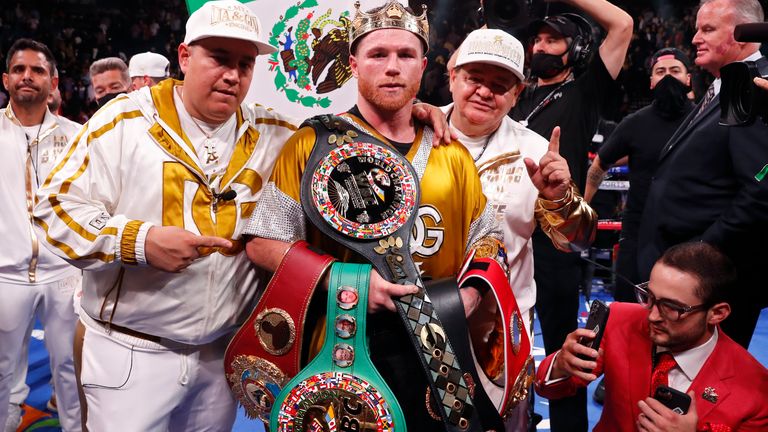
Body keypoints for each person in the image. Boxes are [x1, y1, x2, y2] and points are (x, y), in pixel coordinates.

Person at [34, 2, 452, 429]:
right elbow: (52, 210)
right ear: (183, 57)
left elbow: (351, 136)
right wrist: (139, 241)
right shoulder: (123, 121)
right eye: (219, 58)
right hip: (132, 352)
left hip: (221, 357)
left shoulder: (276, 132)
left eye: (245, 63)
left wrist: (416, 115)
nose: (232, 75)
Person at [243, 1, 505, 428]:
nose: (392, 67)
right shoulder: (312, 143)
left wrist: (470, 295)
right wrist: (351, 282)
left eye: (405, 56)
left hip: (439, 349)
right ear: (353, 64)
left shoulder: (450, 151)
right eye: (377, 55)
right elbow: (262, 242)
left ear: (423, 67)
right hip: (342, 340)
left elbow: (488, 237)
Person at [443, 28, 597, 429]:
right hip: (418, 316)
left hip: (499, 333)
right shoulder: (412, 132)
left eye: (500, 84)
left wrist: (559, 198)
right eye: (474, 78)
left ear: (517, 93)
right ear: (452, 76)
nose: (484, 92)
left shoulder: (534, 150)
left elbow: (575, 241)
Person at [509, 0, 633, 429]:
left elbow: (622, 24)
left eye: (552, 39)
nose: (541, 46)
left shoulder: (584, 90)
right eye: (537, 39)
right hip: (505, 232)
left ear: (574, 49)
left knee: (564, 344)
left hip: (555, 234)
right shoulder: (513, 95)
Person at [638, 0, 768, 349]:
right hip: (686, 278)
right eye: (697, 28)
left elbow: (760, 188)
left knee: (703, 391)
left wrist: (700, 250)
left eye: (708, 29)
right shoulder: (725, 86)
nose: (694, 38)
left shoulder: (754, 87)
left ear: (743, 36)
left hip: (708, 284)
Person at [535, 241, 768, 431]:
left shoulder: (756, 390)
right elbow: (550, 388)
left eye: (671, 307)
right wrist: (561, 365)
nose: (653, 315)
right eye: (649, 296)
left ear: (717, 313)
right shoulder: (619, 318)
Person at [0, 38, 83, 432]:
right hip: (6, 272)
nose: (27, 77)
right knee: (2, 367)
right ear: (6, 79)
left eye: (36, 70)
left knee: (69, 363)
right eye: (19, 70)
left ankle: (74, 427)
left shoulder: (79, 137)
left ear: (53, 81)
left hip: (64, 271)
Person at [584, 48, 695, 303]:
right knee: (628, 306)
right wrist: (584, 210)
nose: (668, 77)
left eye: (675, 71)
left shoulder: (703, 119)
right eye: (660, 72)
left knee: (683, 310)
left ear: (688, 79)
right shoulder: (635, 123)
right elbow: (600, 163)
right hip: (639, 231)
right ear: (651, 82)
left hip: (689, 233)